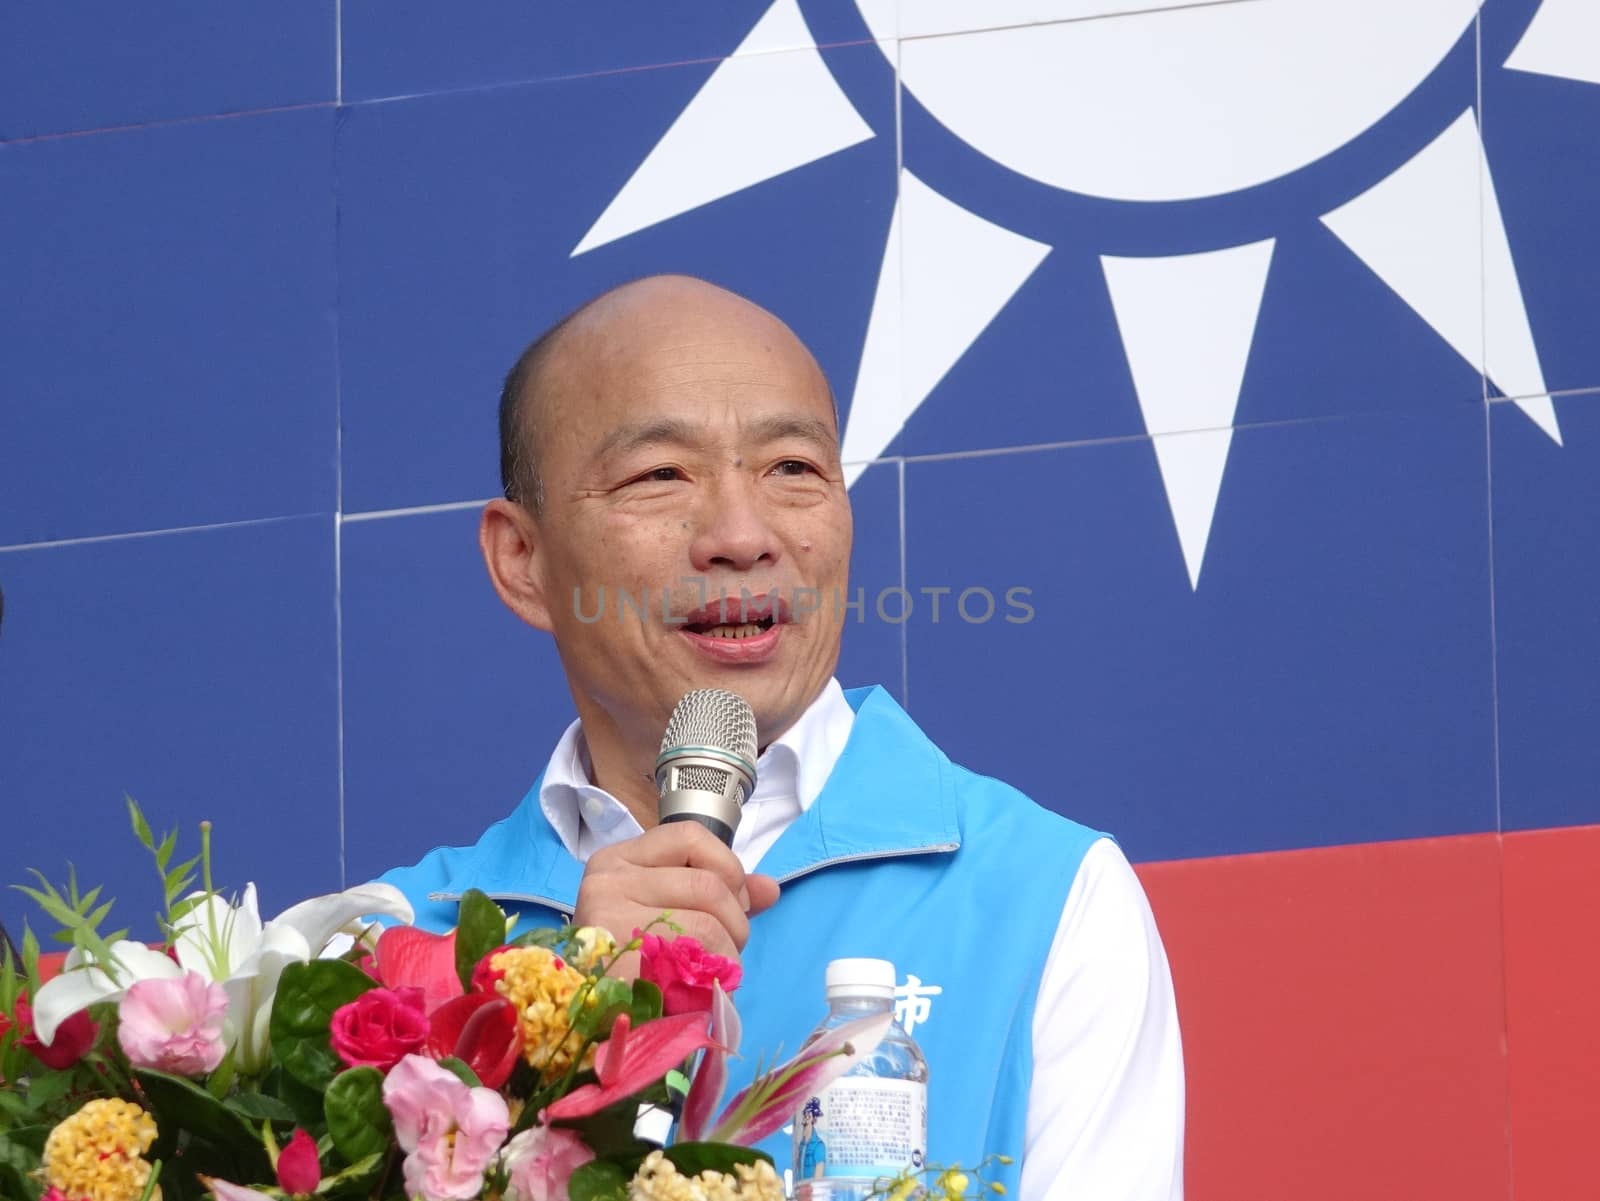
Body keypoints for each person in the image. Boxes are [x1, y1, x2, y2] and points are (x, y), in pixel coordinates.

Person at [378, 275, 1184, 1199]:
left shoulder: (1046, 901)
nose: (740, 533)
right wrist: (566, 1037)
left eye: (793, 468)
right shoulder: (394, 949)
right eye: (660, 475)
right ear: (523, 559)